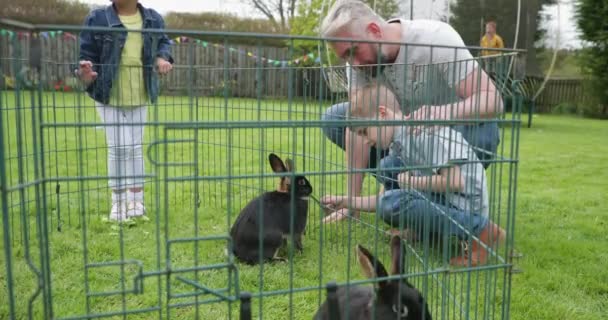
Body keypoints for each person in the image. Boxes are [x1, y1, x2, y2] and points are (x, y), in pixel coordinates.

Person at [319, 0, 503, 223]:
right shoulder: (358, 64)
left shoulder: (436, 39)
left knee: (485, 132)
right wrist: (351, 202)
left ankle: (452, 208)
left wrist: (443, 114)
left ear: (375, 31)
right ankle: (402, 190)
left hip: (452, 132)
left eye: (354, 51)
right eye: (345, 57)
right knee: (335, 119)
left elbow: (493, 100)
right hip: (404, 139)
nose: (353, 63)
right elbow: (359, 123)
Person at [321, 82, 505, 266]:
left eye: (365, 132)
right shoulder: (400, 143)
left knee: (391, 202)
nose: (366, 141)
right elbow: (384, 197)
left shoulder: (421, 134)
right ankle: (422, 229)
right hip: (448, 197)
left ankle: (481, 230)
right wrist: (346, 201)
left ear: (382, 114)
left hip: (465, 203)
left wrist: (412, 183)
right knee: (388, 169)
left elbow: (455, 182)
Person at [76, 0, 173, 221]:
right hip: (108, 95)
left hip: (140, 94)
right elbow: (85, 54)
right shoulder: (97, 19)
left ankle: (136, 201)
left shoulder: (153, 19)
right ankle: (118, 204)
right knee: (119, 147)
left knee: (136, 148)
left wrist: (162, 57)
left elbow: (164, 43)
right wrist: (85, 71)